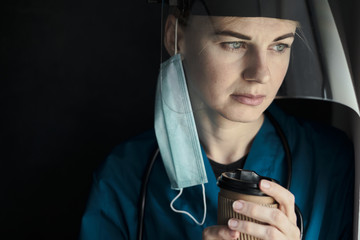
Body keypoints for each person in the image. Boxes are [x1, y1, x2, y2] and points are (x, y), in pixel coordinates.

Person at [79, 1, 354, 239]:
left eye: (280, 46)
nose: (261, 73)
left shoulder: (333, 164)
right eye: (234, 43)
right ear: (176, 38)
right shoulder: (123, 177)